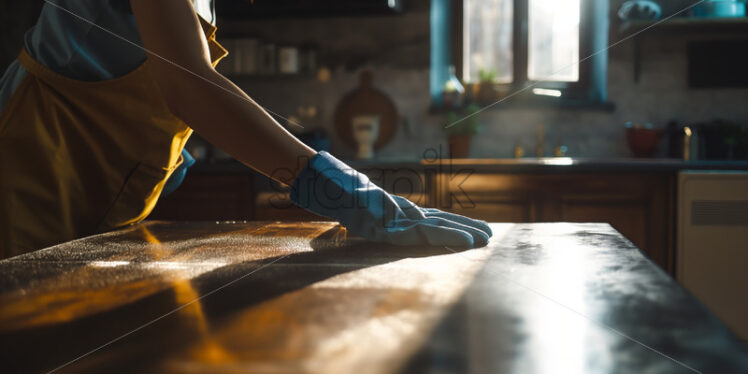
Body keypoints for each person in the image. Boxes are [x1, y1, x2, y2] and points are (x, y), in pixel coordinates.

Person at [0, 0, 492, 259]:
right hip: (27, 176)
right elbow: (191, 88)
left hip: (94, 199)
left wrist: (154, 148)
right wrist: (349, 193)